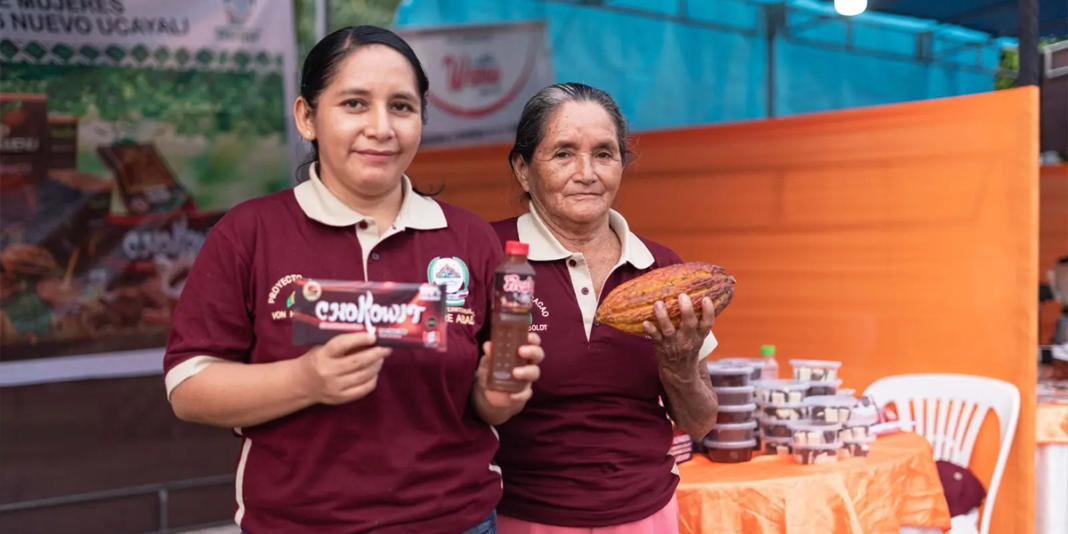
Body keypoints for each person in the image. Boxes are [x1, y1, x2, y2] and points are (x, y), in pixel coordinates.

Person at [163, 26, 544, 534]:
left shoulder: (468, 239)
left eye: (402, 107)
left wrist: (503, 395)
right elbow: (188, 386)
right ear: (307, 117)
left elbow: (485, 401)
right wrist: (304, 380)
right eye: (355, 104)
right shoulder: (250, 233)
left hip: (455, 522)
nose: (381, 127)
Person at [490, 83, 720, 534]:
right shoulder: (486, 256)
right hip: (523, 516)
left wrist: (679, 368)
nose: (586, 172)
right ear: (522, 169)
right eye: (563, 154)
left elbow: (700, 422)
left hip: (646, 515)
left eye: (603, 154)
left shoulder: (662, 270)